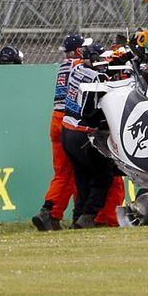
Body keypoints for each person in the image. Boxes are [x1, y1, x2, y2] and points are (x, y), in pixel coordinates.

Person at [60, 43, 119, 229]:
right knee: (103, 175)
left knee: (82, 177)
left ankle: (78, 216)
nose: (104, 62)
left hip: (67, 132)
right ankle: (89, 215)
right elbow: (96, 109)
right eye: (101, 59)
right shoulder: (98, 77)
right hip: (82, 135)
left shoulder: (77, 69)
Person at [31, 34, 86, 231]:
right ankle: (70, 214)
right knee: (80, 171)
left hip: (56, 118)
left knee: (63, 172)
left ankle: (51, 213)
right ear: (79, 51)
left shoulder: (63, 66)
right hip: (69, 120)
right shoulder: (78, 65)